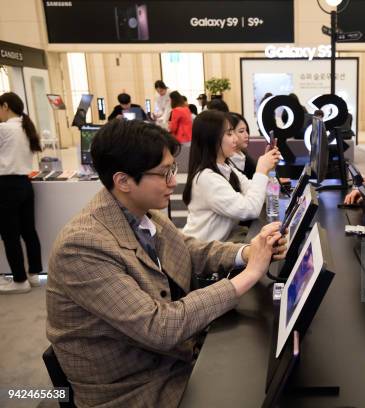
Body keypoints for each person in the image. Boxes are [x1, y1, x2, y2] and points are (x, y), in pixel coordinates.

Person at [46, 119, 285, 407]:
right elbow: (159, 327)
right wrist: (250, 274)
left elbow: (187, 249)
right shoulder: (82, 247)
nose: (173, 181)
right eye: (164, 173)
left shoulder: (140, 211)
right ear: (123, 181)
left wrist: (247, 252)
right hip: (134, 388)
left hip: (169, 360)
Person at [182, 110, 281, 242]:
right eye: (229, 133)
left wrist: (265, 169)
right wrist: (261, 170)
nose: (235, 139)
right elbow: (250, 209)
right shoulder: (207, 178)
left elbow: (254, 193)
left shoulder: (226, 167)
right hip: (201, 253)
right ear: (212, 139)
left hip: (215, 247)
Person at [0, 92, 43, 294]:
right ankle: (34, 275)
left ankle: (19, 281)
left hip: (6, 186)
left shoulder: (4, 129)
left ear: (5, 106)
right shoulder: (26, 128)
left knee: (10, 235)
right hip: (25, 185)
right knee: (28, 231)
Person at [227, 112, 257, 179]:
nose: (247, 135)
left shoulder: (246, 158)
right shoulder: (226, 163)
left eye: (246, 131)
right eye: (241, 131)